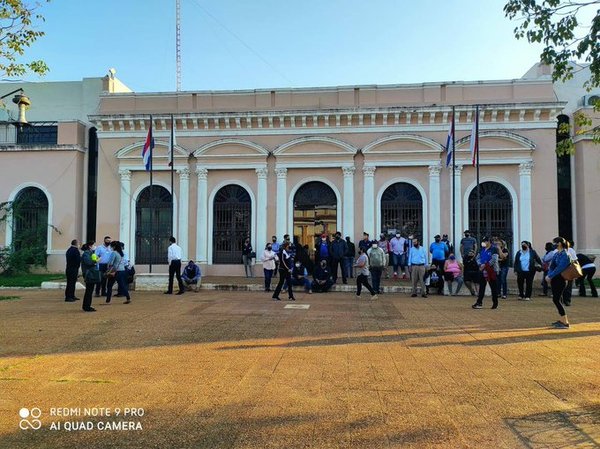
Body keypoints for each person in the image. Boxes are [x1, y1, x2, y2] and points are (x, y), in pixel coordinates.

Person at [545, 237, 571, 328]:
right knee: (557, 299)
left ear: (559, 243)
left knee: (556, 299)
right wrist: (549, 275)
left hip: (561, 279)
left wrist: (550, 276)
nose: (553, 244)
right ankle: (562, 320)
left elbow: (560, 268)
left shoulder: (565, 254)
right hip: (555, 279)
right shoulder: (556, 254)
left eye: (555, 243)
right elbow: (551, 266)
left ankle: (566, 322)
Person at [472, 236, 499, 309]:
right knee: (482, 287)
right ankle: (479, 302)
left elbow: (494, 259)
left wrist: (486, 265)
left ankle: (495, 303)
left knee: (493, 287)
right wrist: (480, 264)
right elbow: (478, 258)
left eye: (485, 241)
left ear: (489, 242)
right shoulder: (482, 249)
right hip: (482, 270)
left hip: (491, 270)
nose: (484, 243)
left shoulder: (494, 249)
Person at [80, 242, 100, 312]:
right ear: (90, 246)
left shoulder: (90, 253)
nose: (94, 246)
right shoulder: (86, 253)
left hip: (91, 273)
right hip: (89, 274)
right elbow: (88, 262)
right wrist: (95, 261)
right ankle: (87, 306)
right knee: (89, 290)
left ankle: (87, 305)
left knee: (90, 290)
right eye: (93, 245)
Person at [562, 241, 578, 306]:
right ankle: (567, 300)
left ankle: (563, 299)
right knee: (569, 285)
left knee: (562, 285)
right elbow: (575, 260)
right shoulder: (571, 250)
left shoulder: (559, 251)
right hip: (569, 269)